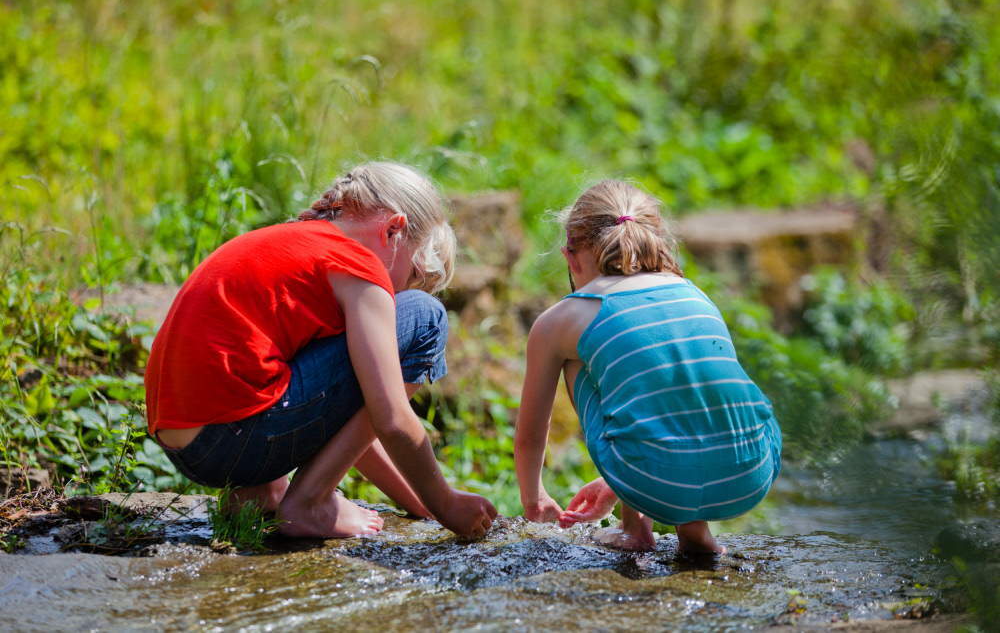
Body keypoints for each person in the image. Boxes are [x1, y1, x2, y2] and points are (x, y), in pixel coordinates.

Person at [146, 161, 497, 539]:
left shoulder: (296, 244)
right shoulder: (360, 265)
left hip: (190, 447)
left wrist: (423, 505)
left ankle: (258, 493)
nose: (400, 294)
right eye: (412, 277)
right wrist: (445, 503)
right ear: (393, 230)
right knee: (426, 317)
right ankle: (310, 502)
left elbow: (342, 421)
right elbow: (390, 419)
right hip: (236, 436)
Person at [514, 180, 781, 553]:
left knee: (578, 359)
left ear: (570, 258)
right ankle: (694, 531)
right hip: (753, 468)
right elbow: (688, 403)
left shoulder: (561, 320)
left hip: (657, 479)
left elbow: (528, 436)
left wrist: (535, 499)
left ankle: (635, 529)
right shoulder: (692, 292)